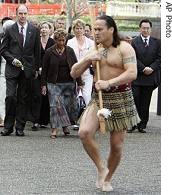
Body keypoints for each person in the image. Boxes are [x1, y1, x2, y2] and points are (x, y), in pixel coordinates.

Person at [70, 15, 139, 192]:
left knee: (116, 145)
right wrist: (87, 59)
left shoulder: (125, 48)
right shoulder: (94, 50)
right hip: (98, 98)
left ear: (111, 30)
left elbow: (132, 73)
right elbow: (74, 74)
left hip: (121, 97)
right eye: (94, 29)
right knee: (84, 133)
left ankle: (107, 179)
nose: (96, 32)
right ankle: (102, 168)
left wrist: (109, 82)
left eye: (100, 29)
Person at [0, 4, 41, 136]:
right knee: (10, 97)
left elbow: (37, 52)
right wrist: (12, 59)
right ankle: (8, 126)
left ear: (27, 14)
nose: (22, 16)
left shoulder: (34, 30)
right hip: (12, 69)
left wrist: (35, 69)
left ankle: (20, 127)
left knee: (23, 98)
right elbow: (3, 49)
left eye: (25, 13)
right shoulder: (9, 29)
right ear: (16, 14)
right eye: (20, 13)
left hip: (27, 70)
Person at [41, 29, 82, 138]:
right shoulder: (49, 52)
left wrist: (79, 82)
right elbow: (44, 69)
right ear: (55, 40)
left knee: (67, 106)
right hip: (53, 83)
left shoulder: (70, 50)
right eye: (59, 40)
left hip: (69, 82)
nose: (61, 43)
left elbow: (75, 67)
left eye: (63, 40)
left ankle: (65, 127)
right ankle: (54, 129)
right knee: (55, 106)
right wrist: (43, 85)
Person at [128, 19, 161, 133]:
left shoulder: (157, 42)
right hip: (137, 76)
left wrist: (151, 68)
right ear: (140, 29)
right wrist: (143, 68)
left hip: (150, 77)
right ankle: (133, 123)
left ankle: (142, 124)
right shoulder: (134, 42)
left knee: (145, 102)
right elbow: (133, 58)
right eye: (143, 28)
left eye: (147, 28)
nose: (145, 30)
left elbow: (159, 58)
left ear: (150, 29)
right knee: (135, 99)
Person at [31, 21, 55, 130]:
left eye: (46, 27)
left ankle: (45, 120)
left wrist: (46, 69)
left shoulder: (53, 42)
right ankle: (35, 120)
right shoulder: (36, 41)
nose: (44, 29)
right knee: (37, 95)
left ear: (50, 30)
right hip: (37, 73)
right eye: (42, 27)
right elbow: (33, 56)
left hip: (49, 73)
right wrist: (37, 68)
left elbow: (54, 59)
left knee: (47, 97)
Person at [67, 19, 94, 106]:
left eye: (81, 28)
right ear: (73, 29)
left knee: (87, 96)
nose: (79, 30)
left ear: (83, 29)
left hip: (87, 73)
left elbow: (92, 58)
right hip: (73, 72)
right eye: (77, 28)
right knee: (74, 97)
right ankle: (75, 117)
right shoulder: (70, 42)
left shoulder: (90, 43)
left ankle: (86, 117)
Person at [0, 19, 15, 127]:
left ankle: (10, 118)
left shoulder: (16, 40)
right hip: (2, 70)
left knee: (11, 96)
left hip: (13, 70)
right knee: (2, 95)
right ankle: (3, 117)